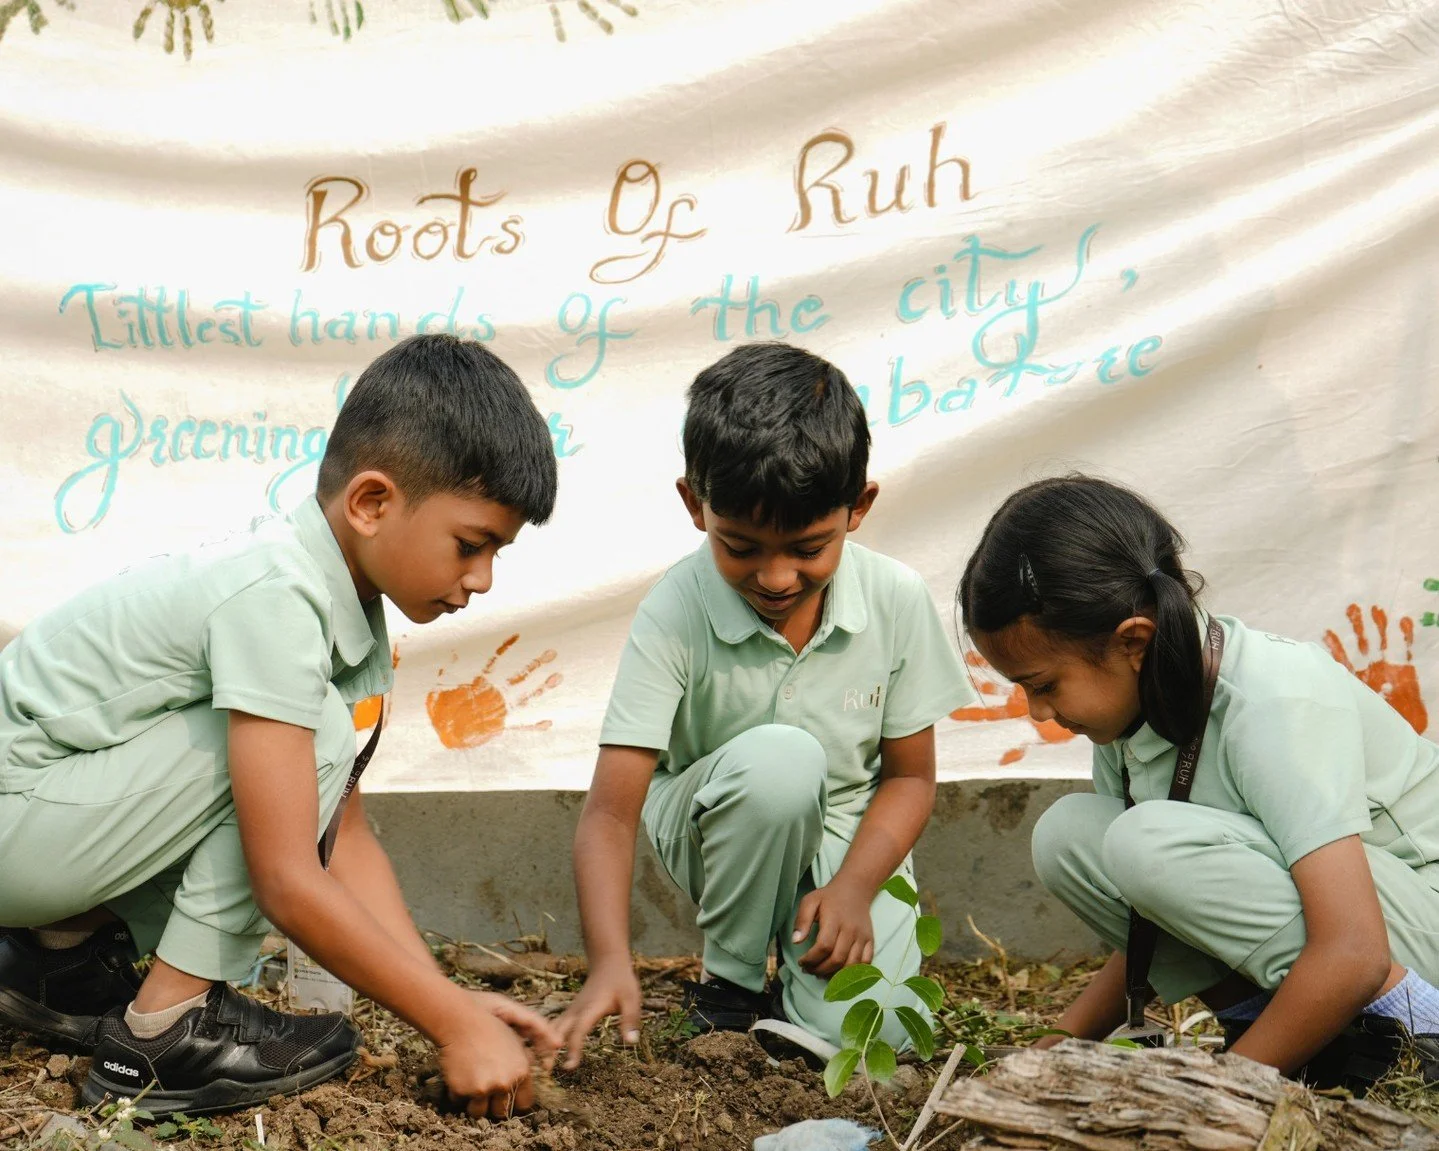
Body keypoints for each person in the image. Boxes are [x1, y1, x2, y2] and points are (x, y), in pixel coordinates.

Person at [0, 334, 563, 1116]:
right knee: (313, 739)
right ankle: (166, 1029)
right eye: (471, 545)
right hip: (16, 820)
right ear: (371, 502)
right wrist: (451, 1022)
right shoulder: (274, 596)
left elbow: (345, 840)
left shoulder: (349, 617)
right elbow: (288, 875)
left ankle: (53, 963)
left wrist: (447, 1002)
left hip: (41, 836)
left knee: (311, 749)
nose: (482, 579)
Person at [556, 342, 972, 1064]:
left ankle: (796, 996)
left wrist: (851, 888)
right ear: (694, 505)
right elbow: (611, 810)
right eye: (741, 546)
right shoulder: (675, 609)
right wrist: (608, 958)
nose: (776, 576)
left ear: (858, 508)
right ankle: (732, 983)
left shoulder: (896, 599)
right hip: (714, 820)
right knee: (781, 761)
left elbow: (909, 778)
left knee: (879, 1031)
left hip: (848, 830)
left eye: (809, 547)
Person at [959, 474, 1439, 1086]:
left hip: (1413, 938)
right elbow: (1149, 909)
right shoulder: (1134, 710)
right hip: (1365, 943)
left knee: (1146, 841)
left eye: (1044, 684)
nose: (1038, 712)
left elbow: (1355, 953)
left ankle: (1417, 1035)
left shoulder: (1274, 702)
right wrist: (1050, 1051)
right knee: (1069, 836)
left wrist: (1220, 1091)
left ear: (1133, 640)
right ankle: (1286, 1033)